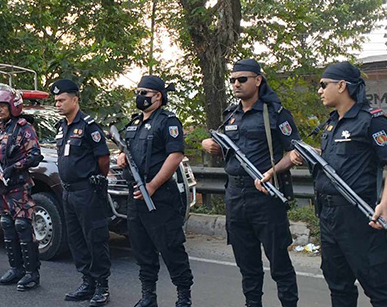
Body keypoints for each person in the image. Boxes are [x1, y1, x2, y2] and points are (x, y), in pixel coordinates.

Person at [201, 59, 299, 307]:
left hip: (266, 194)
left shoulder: (275, 113)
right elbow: (224, 149)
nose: (236, 84)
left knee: (279, 262)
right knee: (246, 263)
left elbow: (294, 152)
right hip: (235, 193)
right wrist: (208, 145)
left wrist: (271, 171)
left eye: (242, 79)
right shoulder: (230, 115)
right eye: (232, 80)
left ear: (258, 80)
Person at [291, 61, 387, 307]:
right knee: (338, 283)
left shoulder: (372, 120)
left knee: (378, 285)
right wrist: (308, 154)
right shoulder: (331, 124)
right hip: (329, 214)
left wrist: (385, 203)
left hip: (359, 215)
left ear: (342, 86)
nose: (319, 91)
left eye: (324, 85)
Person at [115, 75, 193, 307]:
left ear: (157, 96)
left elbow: (175, 155)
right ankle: (149, 296)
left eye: (144, 93)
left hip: (159, 196)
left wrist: (152, 186)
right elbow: (125, 148)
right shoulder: (135, 123)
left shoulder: (167, 121)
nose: (139, 97)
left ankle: (183, 297)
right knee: (141, 248)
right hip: (135, 196)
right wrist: (121, 156)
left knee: (170, 247)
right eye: (138, 92)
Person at [51, 79, 111, 306]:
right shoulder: (62, 127)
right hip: (68, 192)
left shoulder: (89, 126)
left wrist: (98, 178)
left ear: (75, 99)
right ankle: (87, 282)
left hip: (87, 191)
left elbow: (103, 158)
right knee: (76, 240)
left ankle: (102, 286)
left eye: (62, 100)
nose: (57, 104)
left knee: (95, 238)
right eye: (55, 100)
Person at [0, 84, 42, 291]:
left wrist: (14, 167)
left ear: (13, 106)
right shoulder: (1, 130)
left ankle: (31, 273)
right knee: (7, 224)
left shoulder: (24, 127)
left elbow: (34, 155)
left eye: (3, 106)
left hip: (18, 185)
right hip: (1, 187)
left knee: (23, 226)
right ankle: (15, 269)